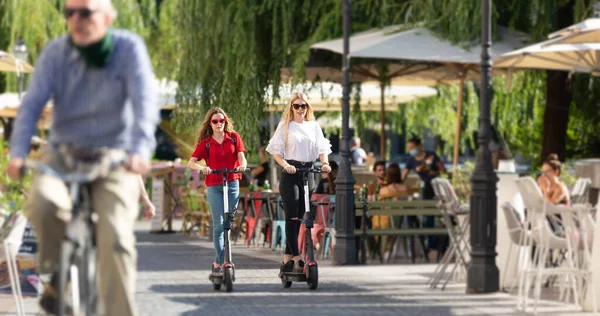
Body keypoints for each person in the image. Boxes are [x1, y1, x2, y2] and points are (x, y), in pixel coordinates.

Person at [6, 0, 160, 315]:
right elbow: (32, 105)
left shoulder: (128, 50)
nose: (76, 19)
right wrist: (18, 153)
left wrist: (140, 151)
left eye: (85, 12)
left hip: (114, 159)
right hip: (63, 154)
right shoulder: (55, 53)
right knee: (42, 203)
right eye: (69, 12)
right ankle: (58, 273)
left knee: (116, 240)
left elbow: (145, 104)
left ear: (107, 17)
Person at [266, 91, 331, 274]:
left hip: (308, 171)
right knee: (292, 217)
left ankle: (287, 260)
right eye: (297, 106)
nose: (300, 109)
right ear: (291, 107)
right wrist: (285, 165)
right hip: (290, 172)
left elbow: (321, 147)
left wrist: (325, 163)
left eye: (304, 106)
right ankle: (297, 257)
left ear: (307, 107)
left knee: (303, 216)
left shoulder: (314, 126)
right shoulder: (285, 126)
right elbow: (275, 151)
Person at [187, 107, 247, 274]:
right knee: (219, 225)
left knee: (229, 223)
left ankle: (219, 262)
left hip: (232, 183)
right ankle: (222, 262)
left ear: (225, 122)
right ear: (210, 123)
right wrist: (202, 168)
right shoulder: (206, 142)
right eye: (215, 121)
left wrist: (243, 165)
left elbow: (241, 155)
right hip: (214, 185)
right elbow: (191, 162)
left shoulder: (234, 138)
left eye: (222, 121)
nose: (219, 123)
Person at [401, 137, 447, 261]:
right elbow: (403, 176)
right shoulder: (411, 160)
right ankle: (428, 246)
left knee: (431, 217)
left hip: (436, 188)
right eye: (409, 148)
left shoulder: (431, 155)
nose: (411, 150)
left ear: (419, 146)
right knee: (425, 218)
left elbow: (443, 171)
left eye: (412, 148)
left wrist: (431, 171)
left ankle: (433, 246)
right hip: (425, 190)